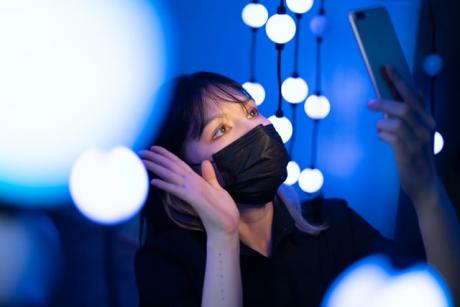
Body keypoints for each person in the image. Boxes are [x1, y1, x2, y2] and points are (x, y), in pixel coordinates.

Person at [134, 68, 460, 307]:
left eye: (251, 111)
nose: (260, 126)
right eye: (220, 130)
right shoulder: (166, 261)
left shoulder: (333, 222)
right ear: (181, 173)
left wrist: (427, 189)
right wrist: (223, 236)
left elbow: (441, 294)